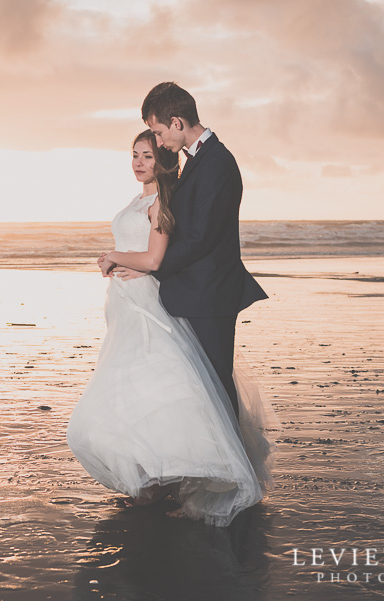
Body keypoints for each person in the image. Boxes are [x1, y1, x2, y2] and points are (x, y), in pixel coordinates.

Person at [66, 129, 276, 527]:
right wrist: (118, 261)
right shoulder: (139, 197)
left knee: (165, 383)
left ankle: (188, 476)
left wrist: (114, 255)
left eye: (147, 155)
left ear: (163, 160)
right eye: (134, 155)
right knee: (132, 385)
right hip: (126, 305)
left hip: (147, 301)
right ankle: (151, 481)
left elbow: (155, 257)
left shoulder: (163, 200)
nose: (138, 162)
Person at [112, 82, 268, 418]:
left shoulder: (217, 163)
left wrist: (152, 266)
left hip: (211, 293)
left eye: (158, 131)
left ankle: (234, 464)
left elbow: (201, 237)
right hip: (196, 291)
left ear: (177, 123)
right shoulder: (200, 160)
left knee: (215, 382)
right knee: (201, 384)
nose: (158, 140)